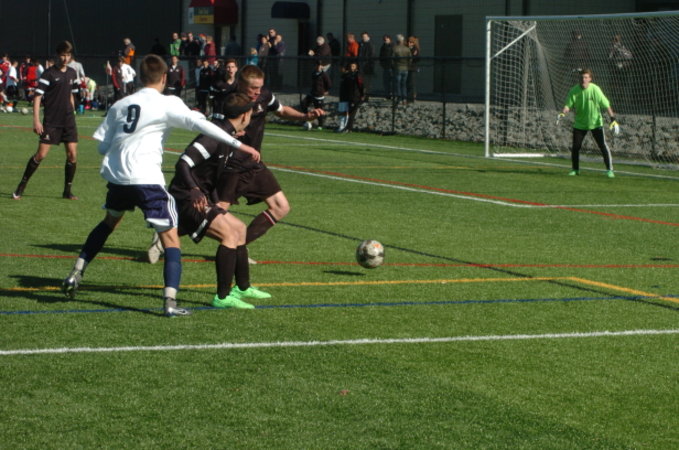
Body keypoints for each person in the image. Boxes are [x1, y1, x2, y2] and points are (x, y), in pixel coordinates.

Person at [61, 54, 260, 317]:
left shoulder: (121, 104)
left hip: (118, 179)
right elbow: (201, 124)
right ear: (165, 78)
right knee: (171, 239)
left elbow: (102, 147)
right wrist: (238, 144)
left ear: (140, 77)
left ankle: (76, 272)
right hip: (146, 179)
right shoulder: (167, 102)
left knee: (109, 223)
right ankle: (170, 302)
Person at [146, 64, 324, 262]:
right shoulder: (228, 100)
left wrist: (304, 116)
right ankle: (166, 236)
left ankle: (238, 248)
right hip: (231, 165)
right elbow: (215, 129)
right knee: (219, 210)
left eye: (260, 87)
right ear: (240, 84)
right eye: (253, 88)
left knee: (281, 207)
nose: (257, 92)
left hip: (253, 162)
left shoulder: (264, 95)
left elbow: (281, 110)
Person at [169, 92, 271, 309]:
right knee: (229, 235)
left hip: (201, 196)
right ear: (244, 115)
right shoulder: (213, 136)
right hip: (187, 198)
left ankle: (242, 287)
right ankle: (222, 298)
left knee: (239, 229)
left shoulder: (228, 135)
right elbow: (183, 163)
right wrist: (194, 189)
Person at [12, 41, 80, 200]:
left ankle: (67, 191)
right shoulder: (49, 74)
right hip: (51, 121)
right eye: (63, 55)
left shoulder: (72, 73)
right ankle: (21, 186)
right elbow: (37, 97)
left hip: (68, 120)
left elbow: (72, 94)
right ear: (57, 55)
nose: (65, 58)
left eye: (68, 55)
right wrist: (36, 121)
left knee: (72, 155)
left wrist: (72, 111)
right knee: (41, 155)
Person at [558, 69, 619, 178]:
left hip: (596, 123)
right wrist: (563, 113)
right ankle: (575, 169)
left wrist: (613, 119)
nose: (583, 79)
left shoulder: (595, 89)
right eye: (582, 77)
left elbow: (606, 105)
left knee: (602, 146)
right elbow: (568, 105)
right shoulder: (574, 90)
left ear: (590, 79)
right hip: (580, 124)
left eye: (586, 77)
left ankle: (610, 170)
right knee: (576, 147)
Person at [301, 61, 332, 130]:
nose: (318, 67)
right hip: (312, 93)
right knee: (303, 103)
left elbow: (329, 84)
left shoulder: (324, 75)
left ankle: (320, 125)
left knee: (319, 110)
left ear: (322, 66)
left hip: (319, 95)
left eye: (319, 65)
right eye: (317, 65)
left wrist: (325, 91)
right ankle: (306, 119)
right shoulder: (313, 73)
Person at [337, 62, 364, 133]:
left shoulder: (357, 75)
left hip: (355, 97)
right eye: (351, 66)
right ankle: (346, 128)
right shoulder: (347, 76)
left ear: (356, 67)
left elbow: (361, 86)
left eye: (353, 66)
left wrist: (362, 95)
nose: (351, 68)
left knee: (351, 113)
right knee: (347, 112)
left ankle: (348, 128)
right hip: (348, 97)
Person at [392, 34, 411, 105]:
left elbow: (392, 59)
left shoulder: (395, 49)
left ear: (397, 41)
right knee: (404, 84)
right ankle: (404, 99)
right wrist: (408, 65)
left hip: (398, 68)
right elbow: (410, 59)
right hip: (405, 68)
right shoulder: (407, 49)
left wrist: (394, 66)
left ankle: (399, 98)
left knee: (397, 84)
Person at [358, 32, 375, 100]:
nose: (364, 38)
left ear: (368, 37)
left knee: (367, 82)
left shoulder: (370, 44)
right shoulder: (361, 44)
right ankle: (362, 95)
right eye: (363, 37)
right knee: (361, 81)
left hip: (367, 66)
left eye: (365, 37)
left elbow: (371, 55)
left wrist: (369, 65)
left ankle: (366, 96)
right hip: (361, 65)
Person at [379, 35, 394, 99]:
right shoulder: (383, 47)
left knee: (392, 82)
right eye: (384, 40)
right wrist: (382, 64)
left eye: (387, 39)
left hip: (392, 67)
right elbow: (381, 56)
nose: (386, 41)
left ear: (390, 39)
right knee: (386, 82)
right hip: (386, 67)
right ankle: (387, 95)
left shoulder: (393, 46)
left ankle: (392, 94)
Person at [406, 36, 420, 104]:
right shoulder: (407, 49)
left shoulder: (415, 49)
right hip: (408, 67)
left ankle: (412, 97)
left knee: (412, 83)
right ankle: (409, 97)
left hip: (413, 68)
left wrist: (413, 56)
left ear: (413, 43)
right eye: (408, 42)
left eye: (411, 42)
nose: (409, 43)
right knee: (408, 83)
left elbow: (417, 59)